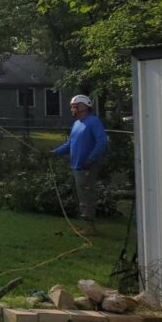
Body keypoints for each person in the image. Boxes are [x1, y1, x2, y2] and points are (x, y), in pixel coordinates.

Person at [52, 94, 107, 234]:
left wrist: (90, 159)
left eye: (74, 106)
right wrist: (53, 153)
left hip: (87, 167)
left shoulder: (93, 122)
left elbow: (102, 142)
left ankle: (90, 227)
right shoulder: (76, 124)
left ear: (83, 107)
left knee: (87, 196)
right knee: (80, 196)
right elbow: (69, 144)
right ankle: (85, 224)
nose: (72, 109)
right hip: (76, 166)